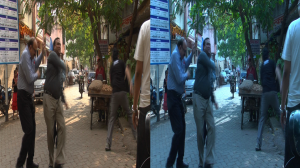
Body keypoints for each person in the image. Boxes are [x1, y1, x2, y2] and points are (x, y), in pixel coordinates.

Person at [165, 38, 195, 168]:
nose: (185, 54)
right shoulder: (175, 56)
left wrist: (192, 53)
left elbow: (185, 65)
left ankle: (179, 161)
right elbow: (179, 79)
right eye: (185, 50)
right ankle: (169, 163)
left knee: (182, 130)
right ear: (180, 47)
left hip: (178, 98)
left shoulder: (180, 56)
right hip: (172, 97)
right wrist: (187, 75)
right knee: (178, 131)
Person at [16, 37, 45, 168]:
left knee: (32, 131)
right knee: (28, 131)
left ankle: (29, 162)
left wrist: (43, 52)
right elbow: (29, 79)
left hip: (29, 97)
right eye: (35, 50)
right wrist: (37, 75)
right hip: (23, 97)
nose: (36, 53)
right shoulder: (25, 56)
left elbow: (36, 64)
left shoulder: (31, 57)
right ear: (30, 47)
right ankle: (19, 163)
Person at [280, 2, 300, 167]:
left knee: (293, 160)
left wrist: (282, 107)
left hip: (295, 106)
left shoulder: (293, 28)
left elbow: (286, 72)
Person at [105, 48, 136, 151]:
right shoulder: (122, 63)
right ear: (118, 56)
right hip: (123, 92)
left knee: (112, 118)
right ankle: (137, 138)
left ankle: (108, 144)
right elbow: (127, 70)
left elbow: (110, 78)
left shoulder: (112, 66)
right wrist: (130, 84)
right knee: (130, 114)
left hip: (115, 93)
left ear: (112, 57)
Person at [192, 38, 216, 168]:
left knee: (212, 127)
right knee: (201, 132)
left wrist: (214, 99)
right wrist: (215, 65)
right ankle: (201, 162)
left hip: (207, 100)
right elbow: (213, 66)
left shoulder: (208, 60)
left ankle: (209, 159)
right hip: (198, 98)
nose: (208, 46)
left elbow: (210, 83)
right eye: (207, 44)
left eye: (210, 44)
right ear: (203, 46)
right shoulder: (202, 56)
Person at [43, 37, 66, 168]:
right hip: (48, 99)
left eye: (60, 45)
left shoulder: (58, 61)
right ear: (53, 46)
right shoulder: (52, 56)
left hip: (57, 100)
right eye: (57, 44)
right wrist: (63, 65)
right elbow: (63, 66)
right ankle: (51, 162)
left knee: (62, 127)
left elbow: (60, 82)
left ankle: (59, 160)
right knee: (51, 132)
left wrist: (63, 98)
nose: (58, 46)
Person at [131, 19, 150, 168]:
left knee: (144, 161)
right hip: (162, 105)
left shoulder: (145, 27)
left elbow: (138, 73)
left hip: (146, 106)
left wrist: (134, 108)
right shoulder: (168, 28)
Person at [255, 47, 282, 151]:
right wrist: (281, 86)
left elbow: (261, 81)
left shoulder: (262, 66)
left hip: (265, 93)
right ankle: (288, 140)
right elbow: (278, 73)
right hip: (273, 92)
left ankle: (258, 144)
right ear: (269, 55)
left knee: (262, 118)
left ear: (263, 57)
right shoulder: (272, 62)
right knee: (280, 115)